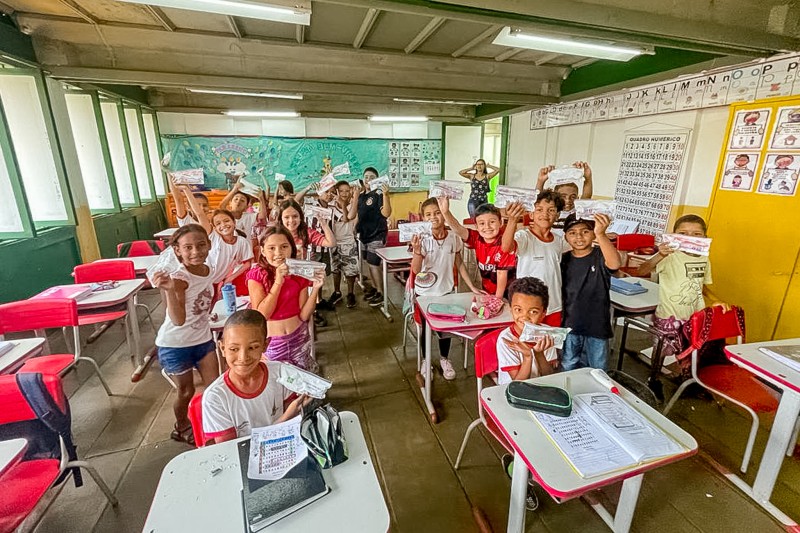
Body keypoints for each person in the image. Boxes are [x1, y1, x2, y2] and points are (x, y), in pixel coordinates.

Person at [152, 224, 220, 445]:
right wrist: (169, 289)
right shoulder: (179, 278)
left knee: (214, 387)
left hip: (202, 339)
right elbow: (178, 319)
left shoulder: (207, 269)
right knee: (186, 391)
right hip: (175, 344)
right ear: (177, 251)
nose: (195, 252)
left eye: (201, 245)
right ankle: (181, 426)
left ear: (209, 245)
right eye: (188, 247)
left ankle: (213, 425)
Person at [202, 310, 311, 444]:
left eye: (253, 347)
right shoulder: (215, 397)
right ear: (222, 348)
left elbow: (293, 428)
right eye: (234, 349)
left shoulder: (279, 373)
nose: (243, 357)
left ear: (265, 345)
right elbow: (231, 449)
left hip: (283, 448)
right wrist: (287, 416)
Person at [637, 214, 728, 370]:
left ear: (705, 237)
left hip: (694, 318)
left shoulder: (704, 259)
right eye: (683, 233)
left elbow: (701, 285)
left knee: (691, 352)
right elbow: (641, 271)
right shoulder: (669, 256)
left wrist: (715, 300)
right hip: (669, 316)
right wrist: (660, 254)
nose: (689, 237)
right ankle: (654, 375)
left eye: (696, 234)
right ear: (674, 236)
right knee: (662, 349)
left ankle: (685, 377)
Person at [410, 198, 482, 380]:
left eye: (437, 213)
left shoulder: (453, 237)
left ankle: (444, 359)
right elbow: (416, 270)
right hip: (425, 294)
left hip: (446, 292)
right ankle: (426, 361)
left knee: (446, 330)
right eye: (428, 214)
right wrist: (417, 251)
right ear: (423, 218)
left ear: (444, 214)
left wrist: (472, 285)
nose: (433, 217)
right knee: (426, 330)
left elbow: (459, 263)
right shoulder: (422, 239)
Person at [246, 226, 324, 371]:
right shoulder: (256, 275)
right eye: (271, 248)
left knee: (302, 381)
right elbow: (262, 315)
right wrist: (278, 282)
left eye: (284, 247)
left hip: (299, 336)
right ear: (262, 251)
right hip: (272, 343)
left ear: (291, 248)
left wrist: (316, 288)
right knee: (277, 383)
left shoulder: (298, 274)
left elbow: (304, 315)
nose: (278, 253)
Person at [560, 213, 621, 371]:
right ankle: (569, 393)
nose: (579, 236)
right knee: (568, 363)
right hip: (570, 323)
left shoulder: (601, 255)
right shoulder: (563, 259)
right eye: (572, 233)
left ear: (593, 232)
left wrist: (601, 234)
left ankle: (598, 395)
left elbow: (614, 264)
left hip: (597, 324)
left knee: (598, 367)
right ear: (565, 236)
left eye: (585, 231)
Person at [501, 191, 570, 326]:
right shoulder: (525, 237)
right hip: (528, 308)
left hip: (553, 306)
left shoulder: (559, 241)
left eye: (551, 210)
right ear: (531, 214)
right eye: (539, 210)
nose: (545, 214)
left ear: (557, 215)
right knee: (527, 344)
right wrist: (512, 220)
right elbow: (506, 247)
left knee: (549, 344)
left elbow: (580, 247)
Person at [437, 196, 515, 297]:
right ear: (476, 227)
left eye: (492, 222)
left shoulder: (505, 241)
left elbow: (501, 274)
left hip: (508, 293)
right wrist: (445, 212)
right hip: (488, 290)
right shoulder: (477, 238)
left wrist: (497, 300)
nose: (487, 227)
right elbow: (458, 229)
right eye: (482, 223)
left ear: (500, 223)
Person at [496, 276, 556, 384]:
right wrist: (527, 357)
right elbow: (517, 385)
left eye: (533, 312)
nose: (525, 317)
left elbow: (549, 376)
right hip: (512, 393)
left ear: (543, 313)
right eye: (518, 310)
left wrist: (539, 354)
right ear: (510, 309)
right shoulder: (506, 339)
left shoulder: (546, 334)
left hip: (540, 390)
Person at [357, 167, 392, 307]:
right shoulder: (361, 195)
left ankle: (381, 293)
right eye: (366, 177)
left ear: (377, 179)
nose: (368, 179)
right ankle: (375, 289)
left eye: (372, 177)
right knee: (369, 264)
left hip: (377, 234)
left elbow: (386, 213)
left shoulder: (379, 193)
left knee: (373, 264)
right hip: (364, 235)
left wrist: (386, 195)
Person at [327, 180, 361, 309]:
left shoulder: (353, 204)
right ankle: (337, 292)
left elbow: (350, 216)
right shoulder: (331, 205)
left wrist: (354, 197)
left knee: (350, 271)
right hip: (334, 242)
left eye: (347, 191)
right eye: (341, 191)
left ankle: (351, 293)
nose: (344, 193)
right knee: (336, 269)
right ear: (336, 191)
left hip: (348, 242)